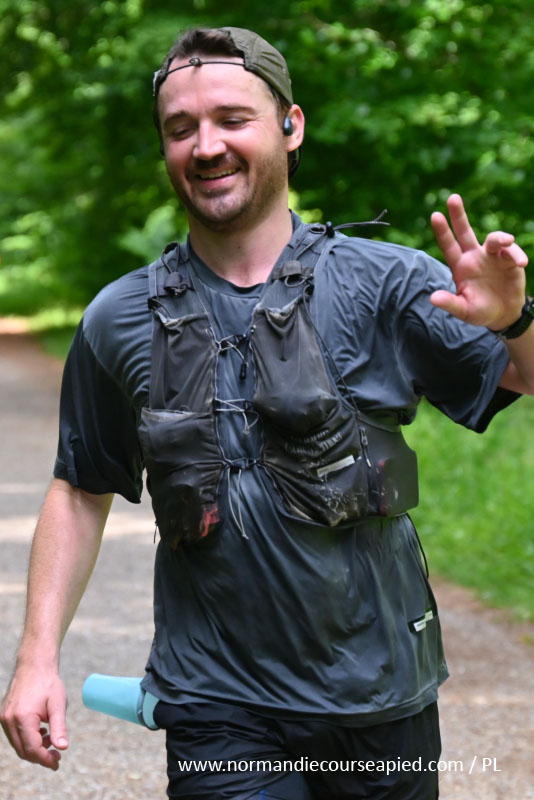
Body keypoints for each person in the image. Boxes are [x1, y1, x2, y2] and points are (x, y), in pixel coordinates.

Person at [1, 25, 533, 800]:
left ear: (291, 125)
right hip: (216, 705)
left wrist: (514, 321)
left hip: (379, 696)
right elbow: (80, 489)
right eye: (180, 128)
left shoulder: (387, 283)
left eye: (232, 119)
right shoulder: (119, 317)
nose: (205, 145)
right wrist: (36, 659)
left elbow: (523, 376)